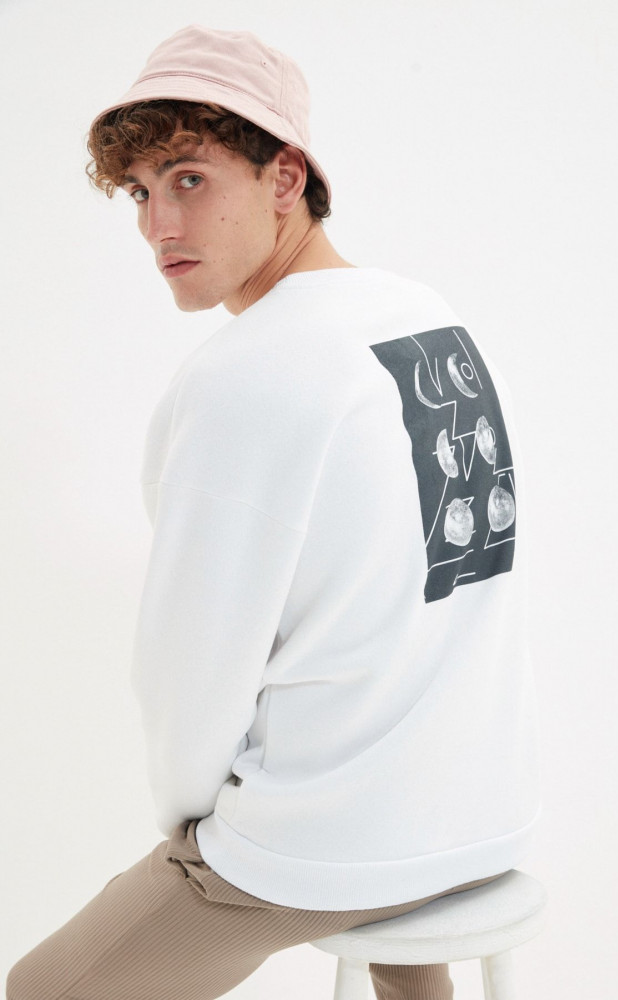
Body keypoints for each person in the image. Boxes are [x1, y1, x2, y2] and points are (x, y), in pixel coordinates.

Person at [6, 24, 540, 1000]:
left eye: (190, 178)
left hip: (331, 839)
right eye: (140, 192)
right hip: (479, 806)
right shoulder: (430, 318)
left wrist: (190, 822)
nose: (159, 225)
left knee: (42, 989)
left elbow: (194, 662)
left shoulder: (246, 376)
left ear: (285, 176)